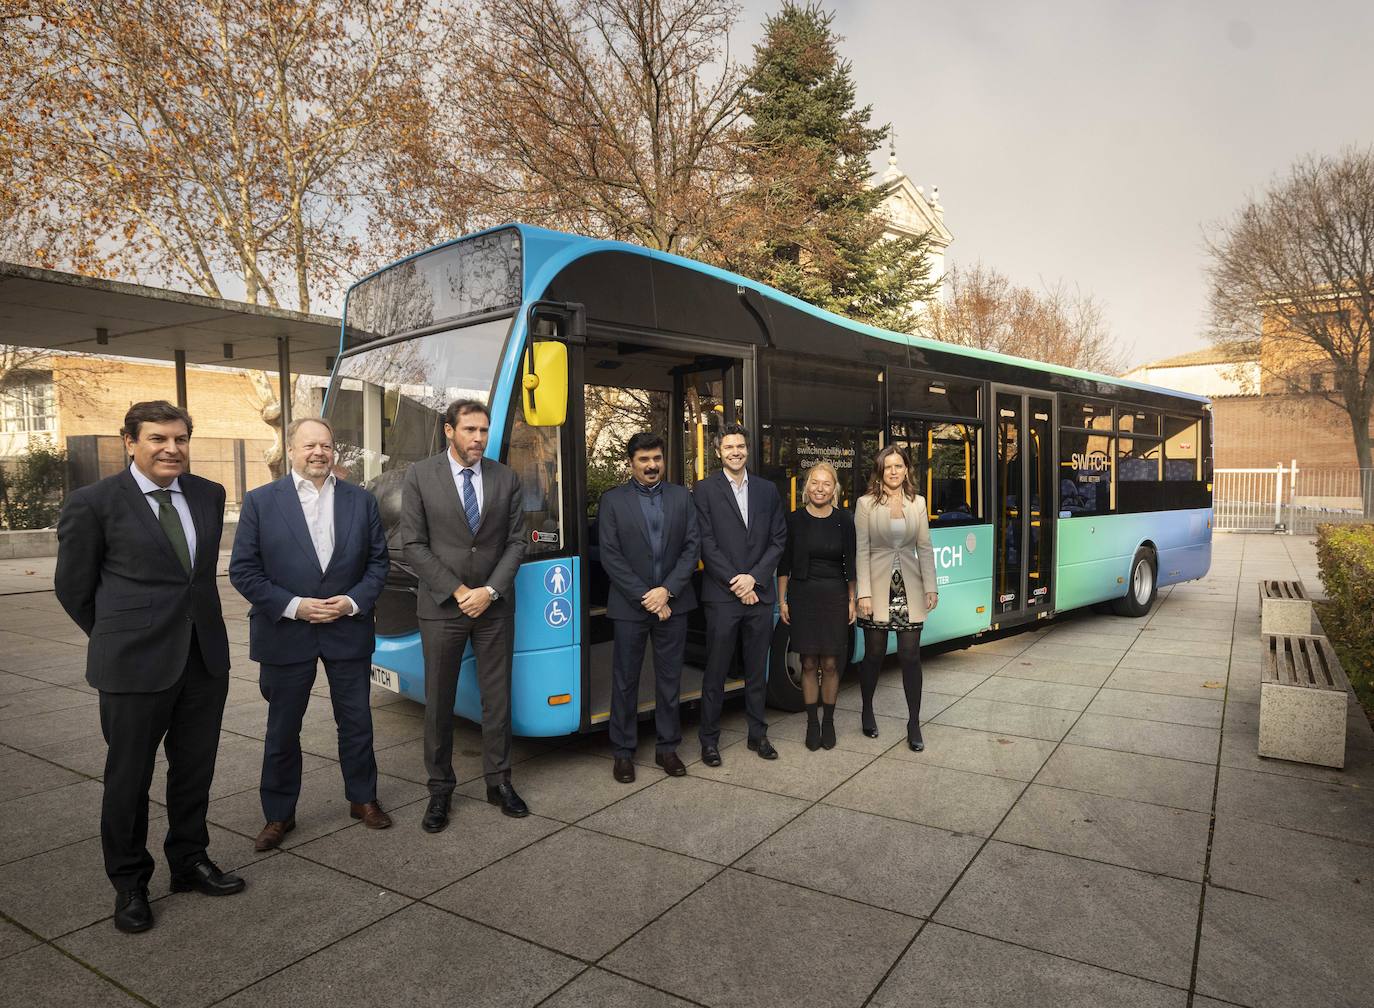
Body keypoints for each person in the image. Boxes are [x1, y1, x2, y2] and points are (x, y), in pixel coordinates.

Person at [54, 400, 242, 934]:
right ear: (129, 442)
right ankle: (130, 883)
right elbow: (73, 588)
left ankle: (190, 860)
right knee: (129, 778)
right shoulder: (92, 503)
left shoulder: (208, 494)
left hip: (203, 659)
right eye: (158, 438)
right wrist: (119, 637)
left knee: (195, 769)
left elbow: (196, 579)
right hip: (133, 666)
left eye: (180, 438)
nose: (171, 448)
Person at [229, 417, 392, 852]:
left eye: (325, 444)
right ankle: (278, 815)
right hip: (286, 632)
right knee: (282, 729)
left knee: (356, 723)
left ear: (333, 449)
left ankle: (363, 799)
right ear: (291, 449)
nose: (318, 452)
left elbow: (378, 564)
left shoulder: (362, 501)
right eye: (309, 445)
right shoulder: (262, 502)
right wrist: (294, 606)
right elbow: (243, 570)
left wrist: (353, 601)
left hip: (347, 629)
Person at [401, 399, 528, 832]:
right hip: (442, 608)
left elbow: (516, 542)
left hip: (493, 608)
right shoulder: (419, 476)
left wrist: (490, 591)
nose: (478, 438)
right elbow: (413, 544)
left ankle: (499, 783)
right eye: (470, 430)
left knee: (498, 700)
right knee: (438, 703)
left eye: (483, 431)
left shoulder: (505, 477)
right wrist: (458, 591)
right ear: (448, 431)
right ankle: (440, 792)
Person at [597, 432, 700, 782]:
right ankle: (623, 752)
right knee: (625, 680)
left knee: (669, 679)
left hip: (674, 605)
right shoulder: (612, 501)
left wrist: (667, 592)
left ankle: (667, 748)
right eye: (644, 460)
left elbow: (692, 548)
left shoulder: (681, 497)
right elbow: (610, 556)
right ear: (631, 463)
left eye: (656, 458)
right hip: (630, 607)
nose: (652, 465)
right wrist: (648, 596)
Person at [693, 424, 787, 764]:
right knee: (715, 672)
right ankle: (709, 740)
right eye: (729, 446)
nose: (735, 451)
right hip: (722, 597)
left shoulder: (766, 490)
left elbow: (778, 539)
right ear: (718, 451)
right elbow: (706, 543)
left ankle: (757, 735)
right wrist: (737, 581)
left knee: (756, 671)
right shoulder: (703, 490)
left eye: (741, 446)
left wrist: (755, 579)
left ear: (748, 450)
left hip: (759, 596)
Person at [854, 445, 938, 751]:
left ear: (906, 470)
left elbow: (925, 547)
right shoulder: (865, 504)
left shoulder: (918, 503)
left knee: (910, 656)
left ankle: (914, 722)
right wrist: (863, 592)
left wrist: (931, 586)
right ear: (880, 470)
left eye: (898, 466)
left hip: (909, 588)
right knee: (874, 655)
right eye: (887, 466)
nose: (893, 471)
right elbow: (862, 549)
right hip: (876, 589)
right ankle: (867, 710)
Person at [777, 462, 857, 751]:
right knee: (809, 662)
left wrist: (851, 600)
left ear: (834, 488)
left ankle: (830, 721)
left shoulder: (845, 519)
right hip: (803, 595)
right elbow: (784, 563)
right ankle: (812, 722)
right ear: (806, 488)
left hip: (835, 595)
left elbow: (851, 562)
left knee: (831, 663)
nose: (820, 488)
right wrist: (782, 600)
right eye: (814, 483)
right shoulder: (794, 519)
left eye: (826, 483)